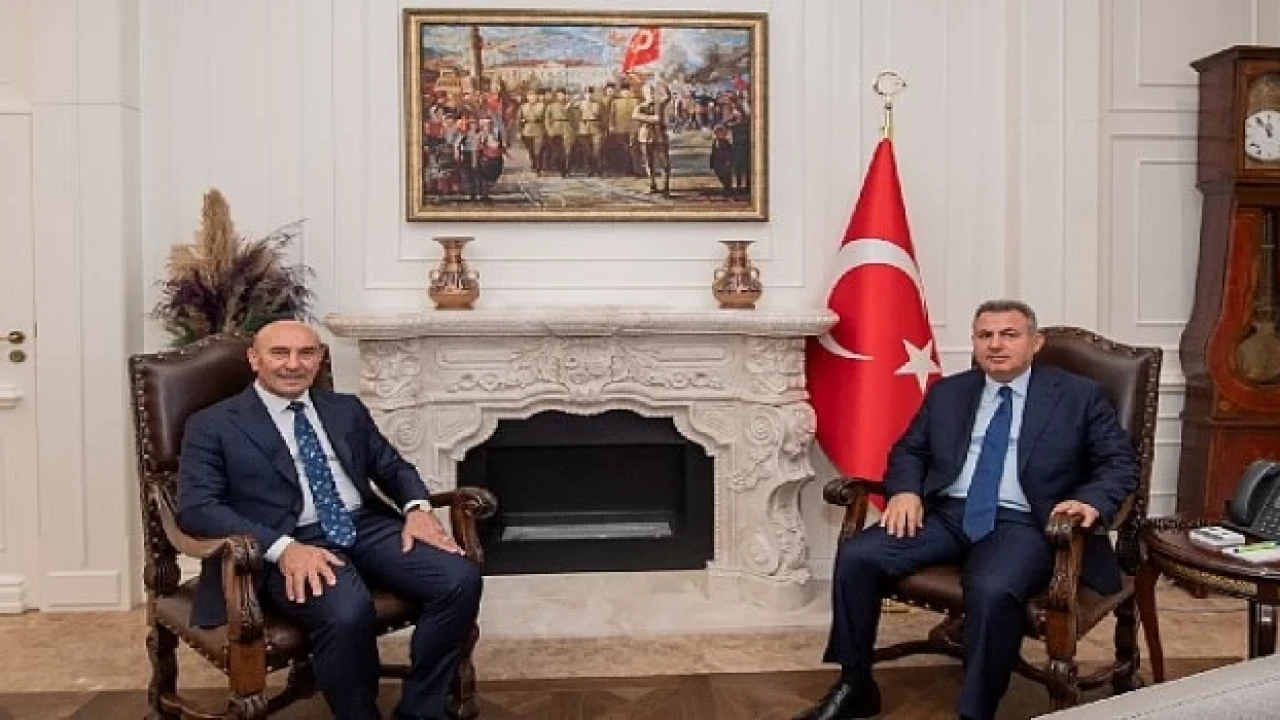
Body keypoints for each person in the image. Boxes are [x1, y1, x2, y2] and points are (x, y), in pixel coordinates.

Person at [797, 300, 1137, 720]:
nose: (996, 344)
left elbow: (1118, 464)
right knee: (858, 556)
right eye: (985, 335)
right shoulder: (949, 392)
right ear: (974, 343)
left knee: (992, 589)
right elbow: (910, 450)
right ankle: (855, 684)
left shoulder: (1078, 396)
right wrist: (906, 491)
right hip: (947, 514)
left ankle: (976, 711)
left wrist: (1090, 501)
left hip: (1026, 522)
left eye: (1009, 335)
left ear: (1036, 342)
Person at [177, 320, 482, 720]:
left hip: (362, 524)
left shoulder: (344, 409)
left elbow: (392, 466)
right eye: (279, 353)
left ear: (320, 358)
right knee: (346, 611)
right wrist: (282, 549)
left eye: (306, 353)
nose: (293, 364)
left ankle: (421, 710)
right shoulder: (213, 423)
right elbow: (197, 507)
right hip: (284, 539)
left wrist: (418, 509)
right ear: (254, 359)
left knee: (459, 579)